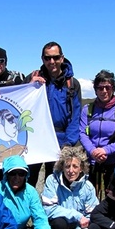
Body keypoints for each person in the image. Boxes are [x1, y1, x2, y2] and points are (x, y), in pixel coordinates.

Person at [26, 42, 82, 186]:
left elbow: (75, 116)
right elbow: (21, 105)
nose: (52, 62)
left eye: (55, 57)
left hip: (60, 141)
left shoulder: (72, 84)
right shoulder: (33, 79)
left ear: (62, 58)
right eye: (47, 58)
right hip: (36, 140)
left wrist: (68, 143)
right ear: (42, 59)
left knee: (55, 183)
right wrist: (29, 86)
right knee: (28, 181)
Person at [41, 146, 99, 229]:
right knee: (59, 224)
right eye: (67, 166)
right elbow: (48, 209)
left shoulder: (88, 187)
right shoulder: (52, 180)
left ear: (81, 168)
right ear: (62, 166)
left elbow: (92, 215)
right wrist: (77, 215)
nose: (71, 171)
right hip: (58, 227)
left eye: (75, 166)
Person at [79, 70, 115, 196]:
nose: (104, 91)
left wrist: (105, 150)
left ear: (113, 88)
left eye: (107, 87)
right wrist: (93, 151)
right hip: (92, 163)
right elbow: (82, 133)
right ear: (95, 89)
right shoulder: (87, 110)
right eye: (100, 88)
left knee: (114, 200)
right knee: (90, 200)